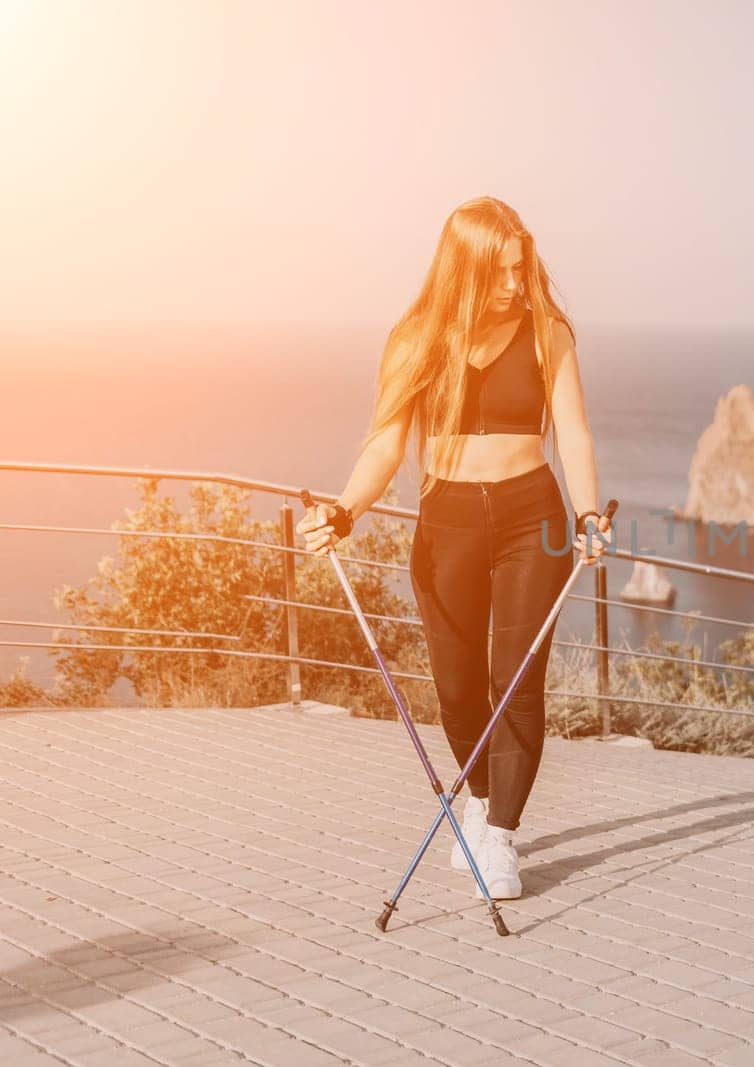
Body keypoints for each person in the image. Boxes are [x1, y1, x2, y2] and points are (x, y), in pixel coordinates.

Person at [298, 197, 612, 900]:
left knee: (517, 678)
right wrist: (345, 509)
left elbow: (575, 433)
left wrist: (590, 513)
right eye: (498, 270)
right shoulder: (415, 339)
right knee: (457, 687)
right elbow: (384, 443)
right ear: (462, 269)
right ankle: (477, 792)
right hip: (448, 523)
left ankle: (501, 834)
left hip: (534, 516)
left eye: (520, 267)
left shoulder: (546, 333)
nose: (512, 282)